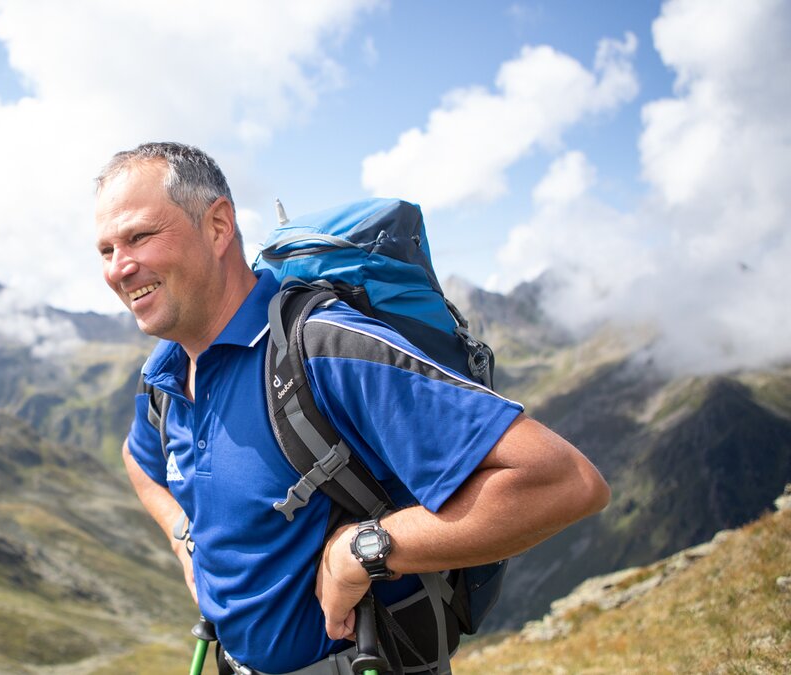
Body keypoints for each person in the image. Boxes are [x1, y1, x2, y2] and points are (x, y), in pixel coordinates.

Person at [94, 141, 610, 674]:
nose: (119, 269)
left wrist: (366, 549)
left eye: (139, 236)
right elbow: (141, 461)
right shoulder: (166, 372)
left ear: (219, 225)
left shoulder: (322, 348)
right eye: (106, 251)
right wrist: (184, 535)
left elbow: (564, 481)